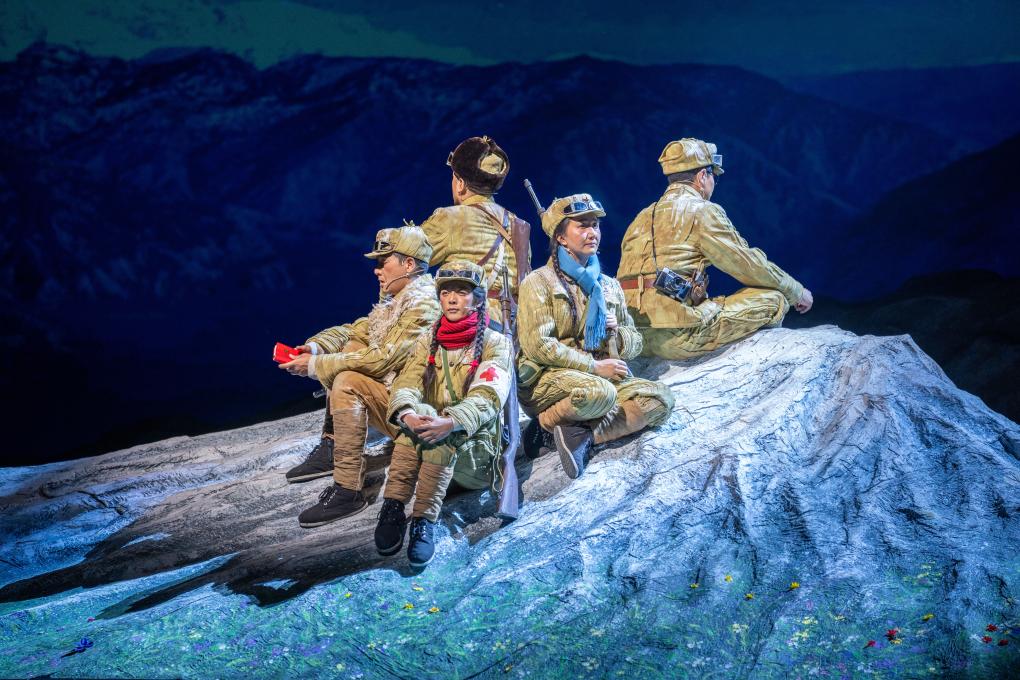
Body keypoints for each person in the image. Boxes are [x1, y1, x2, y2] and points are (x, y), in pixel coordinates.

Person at [278, 226, 440, 527]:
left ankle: (348, 489)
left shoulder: (424, 305)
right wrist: (315, 347)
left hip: (418, 414)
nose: (377, 270)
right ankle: (333, 446)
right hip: (398, 404)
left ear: (408, 264)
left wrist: (316, 365)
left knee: (347, 381)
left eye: (383, 262)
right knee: (351, 348)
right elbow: (357, 331)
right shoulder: (396, 301)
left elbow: (383, 359)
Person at [515, 193, 675, 479]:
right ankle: (543, 426)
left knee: (659, 401)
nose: (593, 233)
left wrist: (616, 334)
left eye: (595, 225)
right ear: (561, 237)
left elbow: (635, 340)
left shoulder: (608, 286)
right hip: (548, 381)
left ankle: (581, 435)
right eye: (582, 226)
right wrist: (594, 367)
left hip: (602, 376)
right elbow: (538, 345)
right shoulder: (538, 282)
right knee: (600, 393)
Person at [617, 138, 813, 359]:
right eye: (714, 177)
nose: (713, 184)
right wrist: (796, 291)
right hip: (677, 335)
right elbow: (747, 265)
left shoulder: (641, 217)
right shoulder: (702, 211)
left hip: (636, 338)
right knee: (774, 299)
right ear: (702, 176)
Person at [374, 261, 513, 567]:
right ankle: (393, 506)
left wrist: (451, 422)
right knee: (418, 418)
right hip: (431, 447)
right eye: (446, 292)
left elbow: (488, 397)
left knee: (439, 434)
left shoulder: (496, 343)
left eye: (461, 292)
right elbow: (406, 383)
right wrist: (408, 415)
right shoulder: (429, 340)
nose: (451, 299)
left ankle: (424, 520)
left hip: (474, 456)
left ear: (477, 299)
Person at [419, 135, 531, 330]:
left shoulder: (450, 218)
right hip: (515, 328)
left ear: (461, 183)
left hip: (468, 324)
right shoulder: (518, 224)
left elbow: (407, 260)